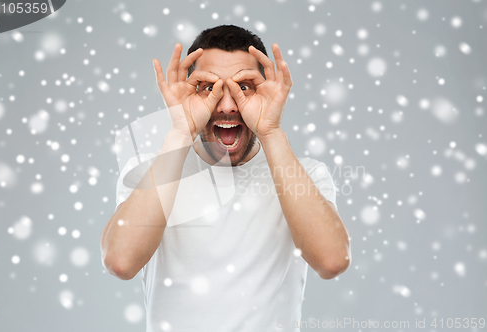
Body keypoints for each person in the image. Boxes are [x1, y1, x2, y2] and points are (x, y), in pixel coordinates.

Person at [100, 24, 351, 332]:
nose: (228, 104)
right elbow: (120, 262)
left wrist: (271, 131)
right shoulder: (148, 171)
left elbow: (332, 261)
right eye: (210, 87)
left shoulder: (305, 174)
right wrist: (181, 132)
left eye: (244, 87)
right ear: (191, 91)